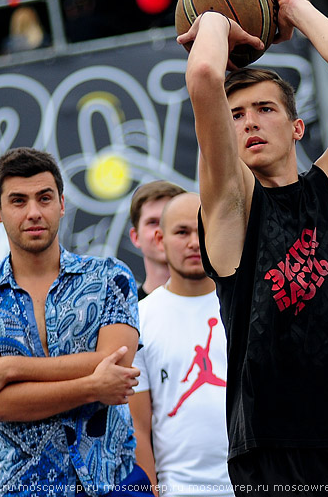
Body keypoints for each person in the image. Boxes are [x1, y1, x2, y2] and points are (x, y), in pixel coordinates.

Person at [179, 0, 328, 496]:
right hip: (273, 452)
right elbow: (206, 74)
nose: (249, 123)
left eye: (265, 109)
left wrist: (289, 3)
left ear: (297, 127)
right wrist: (216, 20)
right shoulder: (232, 206)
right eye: (235, 115)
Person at [0, 147, 147, 497]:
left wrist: (7, 369)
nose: (34, 212)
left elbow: (115, 363)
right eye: (18, 201)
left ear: (62, 204)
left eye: (44, 198)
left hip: (115, 482)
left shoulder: (109, 277)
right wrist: (91, 387)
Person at [129, 193, 233, 497]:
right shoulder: (139, 319)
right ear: (160, 238)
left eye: (202, 229)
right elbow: (139, 426)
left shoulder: (247, 308)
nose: (194, 242)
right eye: (182, 232)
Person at [128, 181, 186, 300]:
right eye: (153, 222)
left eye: (172, 220)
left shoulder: (222, 306)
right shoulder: (127, 313)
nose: (162, 231)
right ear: (136, 237)